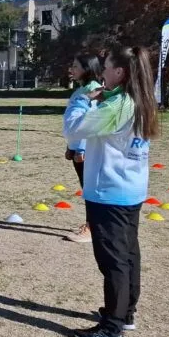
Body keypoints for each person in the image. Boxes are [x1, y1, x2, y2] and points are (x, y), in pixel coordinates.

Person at [63, 46, 160, 337]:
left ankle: (112, 327)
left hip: (110, 191)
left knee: (114, 260)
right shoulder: (138, 99)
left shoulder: (117, 105)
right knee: (128, 253)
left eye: (106, 67)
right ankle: (125, 312)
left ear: (120, 72)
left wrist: (82, 100)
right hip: (130, 188)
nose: (101, 72)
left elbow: (74, 128)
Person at [63, 54, 103, 243]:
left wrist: (81, 149)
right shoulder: (83, 89)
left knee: (90, 189)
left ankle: (92, 227)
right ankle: (92, 223)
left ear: (87, 68)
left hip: (86, 151)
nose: (72, 69)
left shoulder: (94, 90)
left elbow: (89, 122)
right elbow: (75, 121)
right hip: (78, 147)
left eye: (76, 66)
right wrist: (71, 146)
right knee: (86, 187)